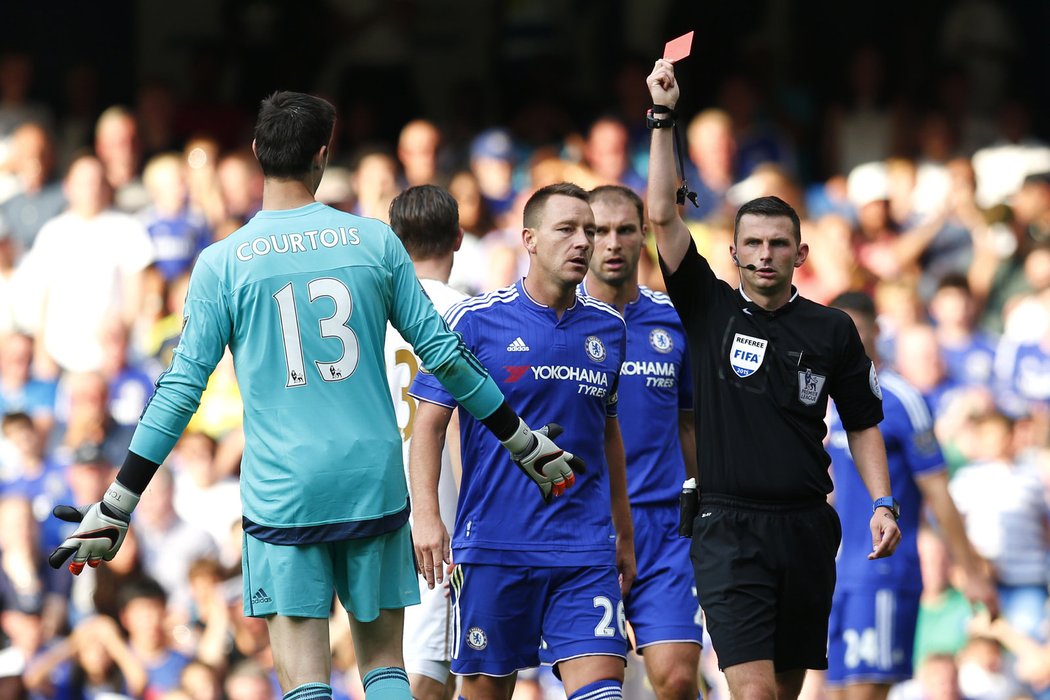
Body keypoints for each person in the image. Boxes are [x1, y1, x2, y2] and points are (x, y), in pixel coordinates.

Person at [47, 91, 582, 700]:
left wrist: (118, 502)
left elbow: (178, 393)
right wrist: (520, 439)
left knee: (306, 685)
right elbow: (447, 357)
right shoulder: (375, 243)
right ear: (323, 157)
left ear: (255, 154)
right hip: (372, 482)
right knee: (383, 670)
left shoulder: (223, 262)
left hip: (283, 495)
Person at [645, 59, 901, 700]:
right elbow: (661, 215)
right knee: (753, 693)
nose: (764, 255)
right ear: (733, 252)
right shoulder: (708, 308)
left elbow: (864, 421)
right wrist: (662, 118)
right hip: (727, 528)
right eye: (752, 244)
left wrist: (882, 500)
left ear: (800, 254)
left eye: (778, 244)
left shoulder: (834, 329)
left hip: (807, 528)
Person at [410, 182, 636, 700]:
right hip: (494, 546)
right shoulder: (476, 320)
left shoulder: (609, 328)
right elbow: (429, 422)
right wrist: (427, 515)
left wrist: (623, 532)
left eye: (591, 231)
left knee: (604, 691)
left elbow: (608, 432)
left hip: (584, 549)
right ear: (529, 240)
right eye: (567, 230)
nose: (584, 242)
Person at [824, 290, 997, 700]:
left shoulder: (902, 399)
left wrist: (970, 571)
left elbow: (938, 491)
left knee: (866, 692)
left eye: (855, 330)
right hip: (836, 573)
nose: (844, 340)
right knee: (836, 693)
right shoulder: (825, 402)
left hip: (883, 569)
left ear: (877, 331)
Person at [580, 184, 702, 700]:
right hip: (585, 529)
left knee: (676, 679)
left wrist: (708, 504)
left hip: (666, 526)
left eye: (625, 230)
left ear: (644, 235)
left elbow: (691, 424)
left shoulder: (674, 319)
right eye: (599, 231)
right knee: (600, 686)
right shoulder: (557, 323)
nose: (612, 243)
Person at [383, 184, 467, 700]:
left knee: (388, 662)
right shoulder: (470, 314)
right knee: (429, 674)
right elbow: (463, 426)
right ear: (458, 238)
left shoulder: (370, 315)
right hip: (442, 512)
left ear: (394, 240)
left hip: (374, 502)